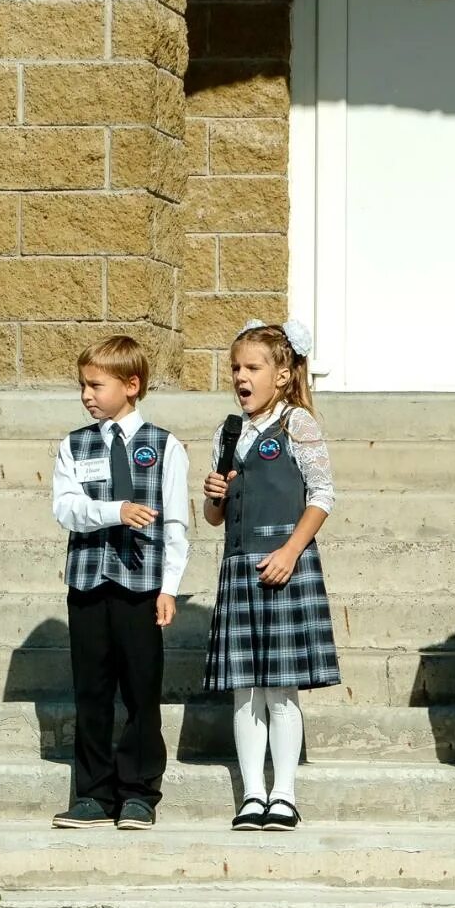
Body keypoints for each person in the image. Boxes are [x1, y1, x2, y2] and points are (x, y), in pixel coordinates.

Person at [202, 320, 340, 832]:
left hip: (285, 563)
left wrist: (290, 551)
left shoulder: (296, 424)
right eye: (236, 367)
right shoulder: (229, 431)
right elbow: (215, 518)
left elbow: (322, 494)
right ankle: (251, 795)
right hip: (239, 563)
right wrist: (215, 495)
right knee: (246, 689)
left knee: (280, 688)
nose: (241, 376)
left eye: (252, 367)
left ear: (282, 375)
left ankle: (284, 793)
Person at [50, 336, 189, 830]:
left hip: (142, 585)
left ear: (131, 386)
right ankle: (92, 792)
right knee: (91, 688)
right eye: (82, 385)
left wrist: (169, 586)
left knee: (140, 689)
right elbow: (65, 507)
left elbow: (175, 523)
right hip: (88, 583)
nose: (86, 394)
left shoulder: (165, 445)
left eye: (95, 384)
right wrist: (113, 511)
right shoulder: (74, 444)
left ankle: (138, 791)